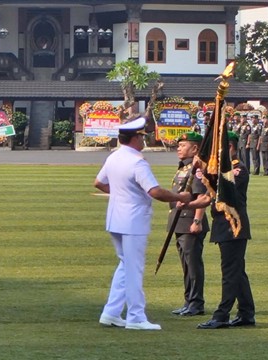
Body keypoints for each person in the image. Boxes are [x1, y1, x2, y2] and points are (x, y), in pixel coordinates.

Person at [94, 117, 192, 331]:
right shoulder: (137, 161)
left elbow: (99, 182)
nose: (143, 140)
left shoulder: (114, 157)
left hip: (116, 218)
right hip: (132, 220)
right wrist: (180, 197)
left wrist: (122, 193)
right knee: (134, 270)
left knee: (125, 267)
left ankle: (111, 312)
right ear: (135, 138)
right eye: (141, 136)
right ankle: (136, 317)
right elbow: (155, 191)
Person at [187, 131, 255, 330]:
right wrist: (187, 205)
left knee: (230, 273)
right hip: (222, 226)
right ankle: (246, 313)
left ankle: (221, 315)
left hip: (233, 226)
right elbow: (210, 196)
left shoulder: (238, 169)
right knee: (237, 272)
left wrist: (206, 170)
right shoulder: (222, 170)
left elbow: (225, 189)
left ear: (230, 148)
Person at [169, 132, 209, 316]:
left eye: (183, 145)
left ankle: (196, 303)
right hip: (179, 221)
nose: (179, 148)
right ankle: (188, 300)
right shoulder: (184, 168)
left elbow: (202, 196)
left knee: (193, 265)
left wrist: (197, 220)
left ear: (194, 148)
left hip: (190, 221)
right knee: (186, 265)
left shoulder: (197, 169)